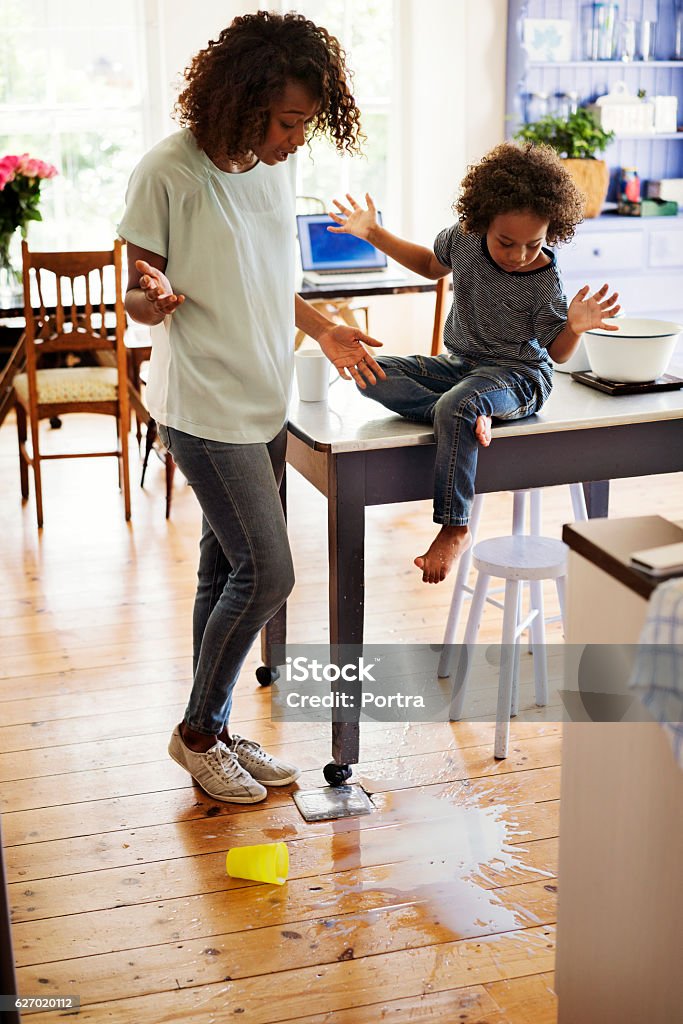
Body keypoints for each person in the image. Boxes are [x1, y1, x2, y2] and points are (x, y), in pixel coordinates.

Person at [118, 11, 385, 804]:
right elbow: (136, 289)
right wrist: (150, 299)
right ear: (241, 100)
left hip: (265, 396)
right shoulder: (167, 170)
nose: (297, 136)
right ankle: (198, 733)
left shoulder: (271, 170)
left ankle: (217, 725)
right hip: (201, 404)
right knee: (267, 574)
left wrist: (325, 330)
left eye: (306, 121)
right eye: (287, 120)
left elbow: (270, 282)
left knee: (223, 570)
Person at [329, 141, 620, 584]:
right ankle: (465, 414)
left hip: (520, 376)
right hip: (461, 366)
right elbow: (429, 265)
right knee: (370, 373)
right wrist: (373, 233)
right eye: (507, 242)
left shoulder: (544, 280)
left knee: (458, 404)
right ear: (481, 221)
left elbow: (557, 354)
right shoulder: (463, 238)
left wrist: (576, 327)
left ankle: (454, 525)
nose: (520, 254)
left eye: (533, 243)